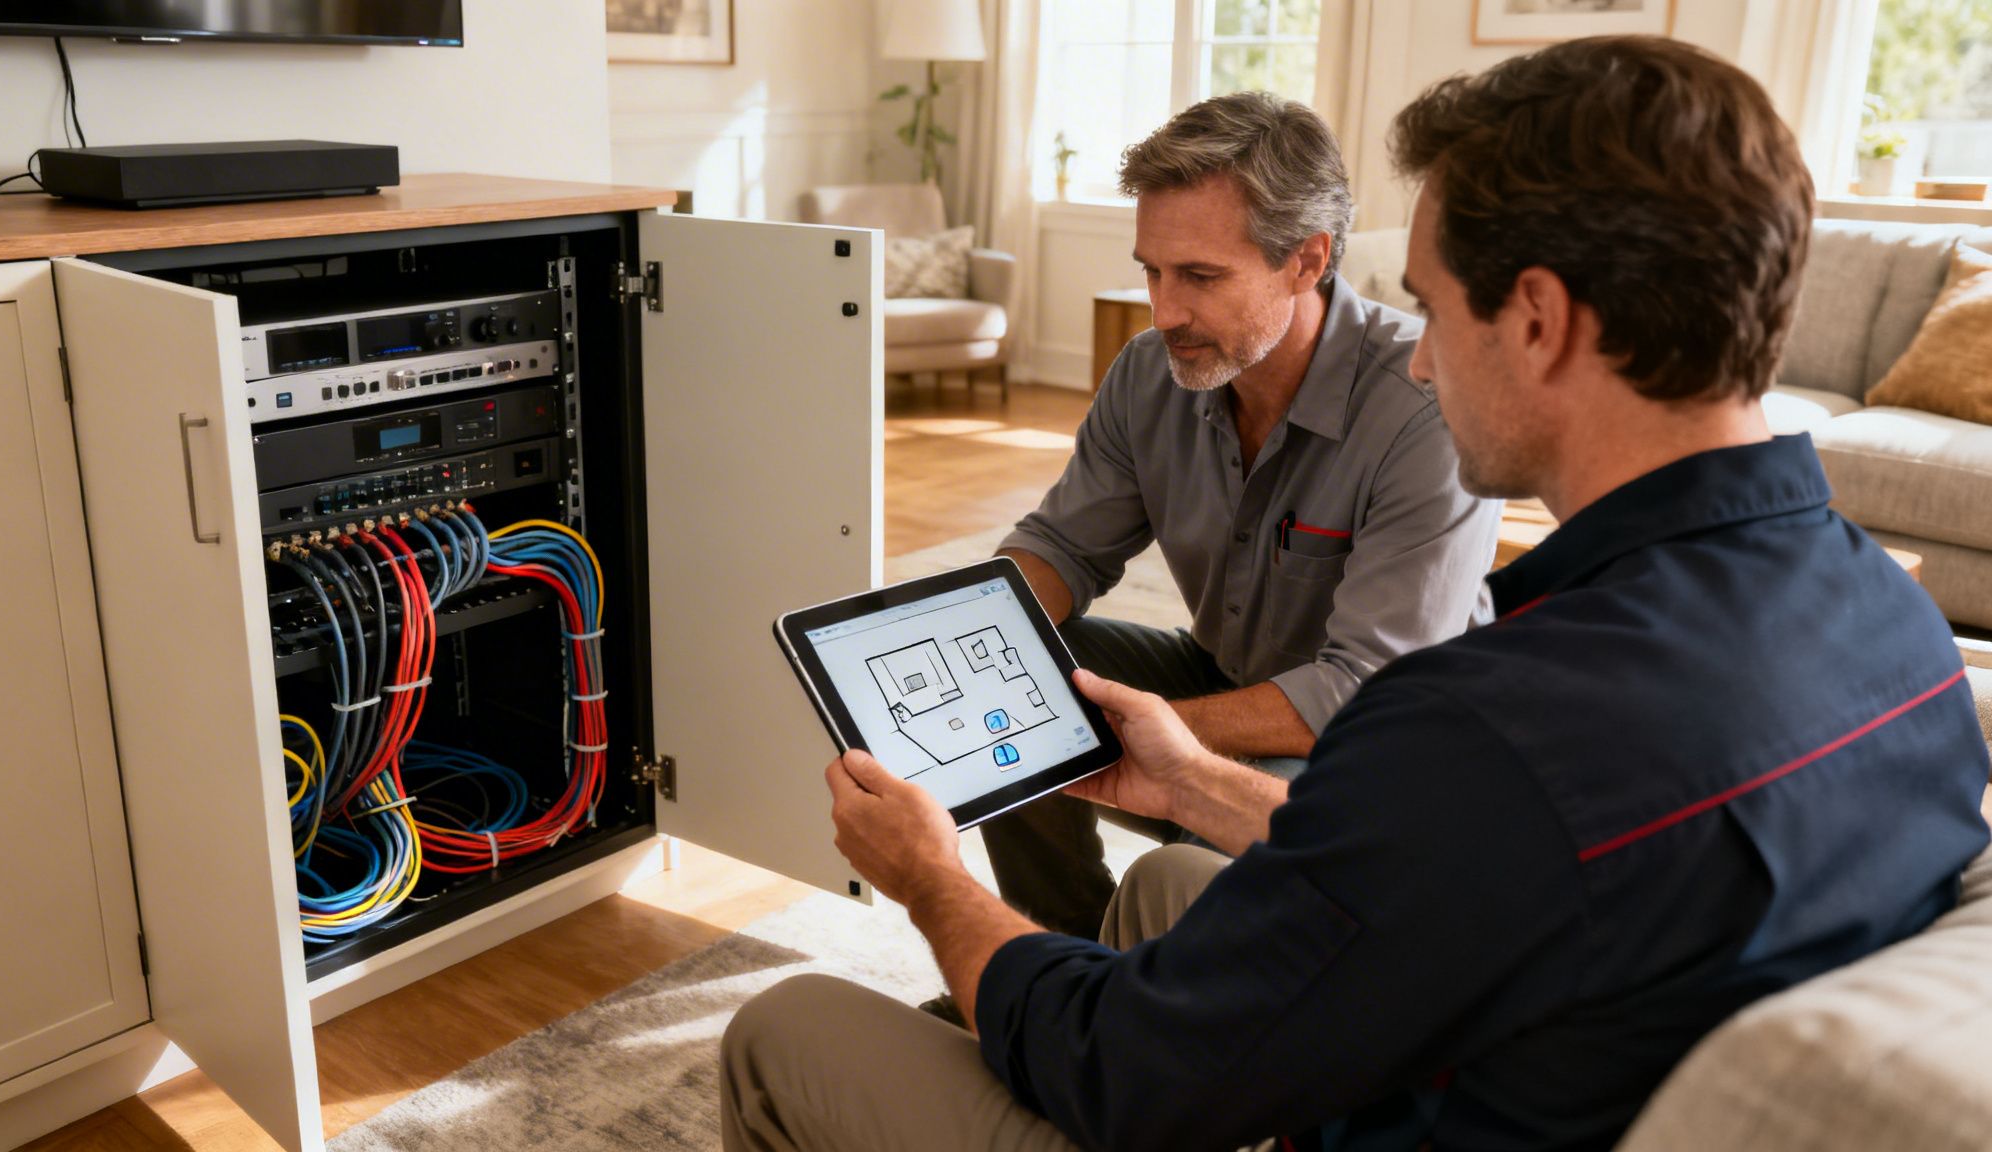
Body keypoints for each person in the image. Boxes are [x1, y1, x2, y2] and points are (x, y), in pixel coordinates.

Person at [721, 36, 1992, 1152]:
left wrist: (934, 886)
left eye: (1434, 307)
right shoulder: (1899, 624)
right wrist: (1186, 781)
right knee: (1163, 888)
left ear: (1537, 320)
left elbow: (1126, 1072)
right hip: (1539, 1043)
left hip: (1329, 1098)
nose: (1425, 357)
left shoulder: (1485, 727)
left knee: (784, 1030)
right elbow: (1477, 875)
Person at [981, 90, 1499, 943]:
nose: (1164, 310)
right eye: (1152, 270)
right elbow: (1061, 547)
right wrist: (956, 640)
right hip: (1230, 678)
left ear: (1307, 260)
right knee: (1024, 670)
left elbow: (1360, 685)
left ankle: (1144, 993)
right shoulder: (1152, 373)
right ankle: (1061, 954)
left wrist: (1139, 732)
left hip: (1374, 744)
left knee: (1192, 878)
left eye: (1201, 277)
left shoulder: (1424, 408)